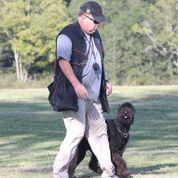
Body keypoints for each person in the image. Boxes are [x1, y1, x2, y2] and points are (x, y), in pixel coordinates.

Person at [52, 1, 118, 178]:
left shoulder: (96, 36)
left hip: (94, 95)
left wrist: (105, 80)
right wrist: (76, 83)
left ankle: (108, 172)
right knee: (76, 132)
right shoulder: (67, 34)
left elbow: (98, 62)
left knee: (100, 132)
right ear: (82, 16)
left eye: (98, 22)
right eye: (94, 21)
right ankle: (59, 174)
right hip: (73, 94)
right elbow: (62, 61)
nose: (97, 25)